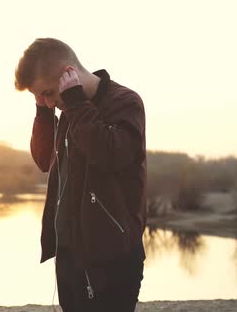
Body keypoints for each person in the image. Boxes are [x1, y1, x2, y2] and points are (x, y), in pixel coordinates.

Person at [14, 38, 147, 312]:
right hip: (70, 261)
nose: (50, 102)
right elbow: (43, 159)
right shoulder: (69, 110)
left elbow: (112, 154)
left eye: (49, 93)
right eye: (41, 97)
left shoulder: (124, 102)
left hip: (113, 263)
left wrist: (75, 103)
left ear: (68, 73)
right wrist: (42, 111)